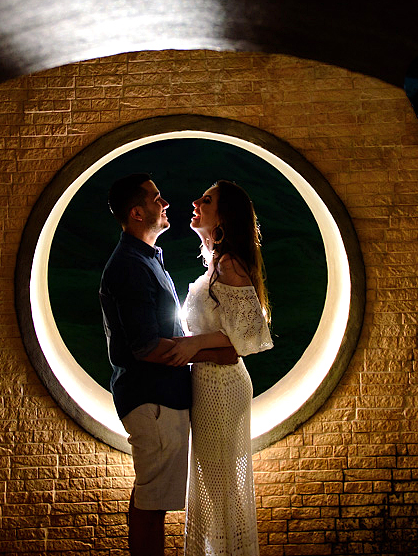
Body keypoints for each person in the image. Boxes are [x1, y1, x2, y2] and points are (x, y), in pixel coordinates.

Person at [99, 173, 236, 556]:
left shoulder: (146, 258)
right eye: (157, 198)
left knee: (153, 500)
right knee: (151, 504)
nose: (166, 203)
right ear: (137, 212)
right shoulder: (129, 265)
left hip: (161, 398)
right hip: (153, 400)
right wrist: (215, 352)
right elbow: (145, 347)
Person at [163, 180, 274, 556]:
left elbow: (250, 337)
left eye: (206, 200)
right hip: (208, 382)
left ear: (223, 217)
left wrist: (194, 344)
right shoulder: (216, 262)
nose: (195, 201)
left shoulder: (229, 263)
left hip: (222, 387)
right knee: (215, 486)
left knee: (220, 490)